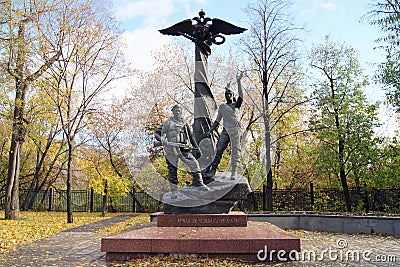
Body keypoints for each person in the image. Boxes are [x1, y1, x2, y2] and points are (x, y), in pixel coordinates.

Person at [155, 104, 210, 198]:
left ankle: (199, 183)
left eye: (179, 111)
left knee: (194, 163)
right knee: (172, 169)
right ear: (173, 112)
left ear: (181, 112)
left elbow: (191, 136)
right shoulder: (167, 123)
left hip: (183, 148)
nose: (178, 112)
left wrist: (196, 147)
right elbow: (157, 133)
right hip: (171, 149)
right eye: (176, 110)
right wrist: (162, 140)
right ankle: (174, 191)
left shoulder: (184, 123)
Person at [204, 72, 243, 180]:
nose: (228, 96)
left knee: (236, 151)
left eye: (230, 94)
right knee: (219, 149)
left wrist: (239, 81)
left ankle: (234, 172)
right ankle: (213, 170)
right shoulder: (222, 107)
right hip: (226, 131)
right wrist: (210, 131)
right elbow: (217, 121)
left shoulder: (236, 105)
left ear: (233, 95)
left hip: (236, 131)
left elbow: (241, 96)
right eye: (226, 94)